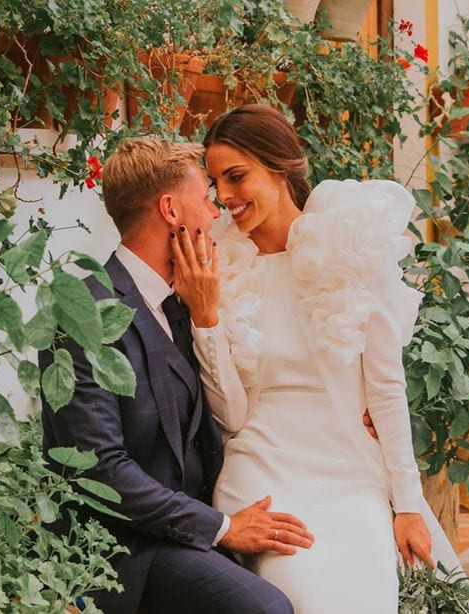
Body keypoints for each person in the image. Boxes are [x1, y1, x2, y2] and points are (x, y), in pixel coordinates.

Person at [172, 104, 469, 613]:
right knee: (307, 595)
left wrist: (406, 504)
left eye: (236, 176)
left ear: (280, 164)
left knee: (367, 598)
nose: (224, 197)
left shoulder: (351, 245)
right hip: (261, 465)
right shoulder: (216, 264)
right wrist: (205, 319)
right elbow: (230, 414)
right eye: (215, 182)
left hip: (348, 468)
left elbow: (385, 386)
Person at [39, 138, 308, 614]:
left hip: (197, 524)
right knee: (266, 608)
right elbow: (101, 469)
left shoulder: (187, 297)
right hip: (127, 547)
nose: (215, 213)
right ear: (170, 209)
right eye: (205, 198)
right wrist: (223, 527)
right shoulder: (82, 312)